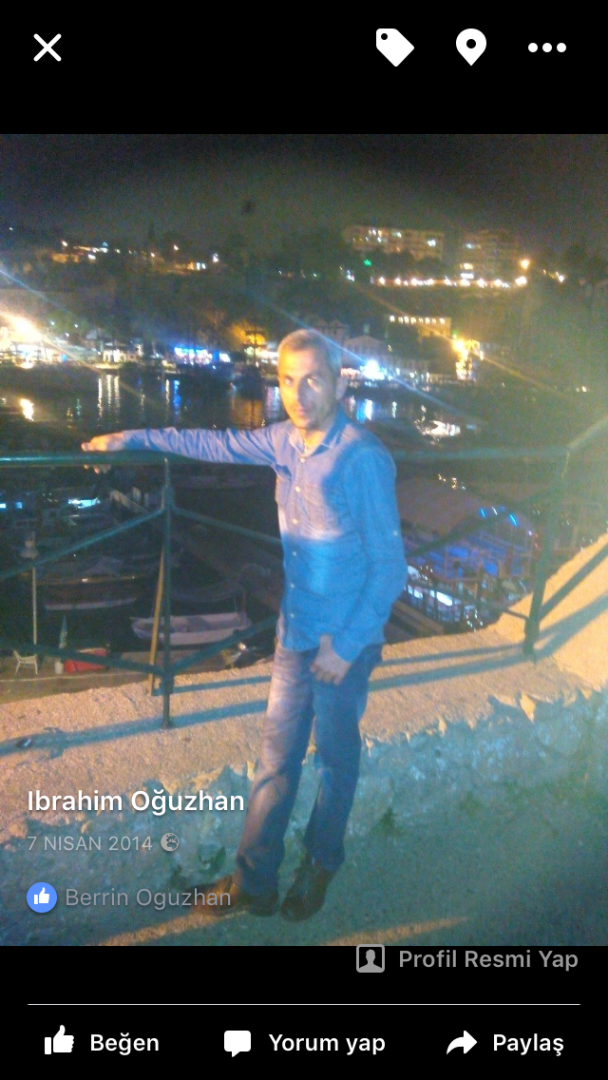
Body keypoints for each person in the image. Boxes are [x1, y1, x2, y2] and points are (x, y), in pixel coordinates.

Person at [82, 329, 406, 921]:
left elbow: (390, 568)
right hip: (295, 631)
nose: (299, 394)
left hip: (342, 645)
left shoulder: (361, 458)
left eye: (313, 379)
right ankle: (254, 881)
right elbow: (211, 443)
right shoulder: (284, 442)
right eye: (288, 380)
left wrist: (348, 645)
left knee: (335, 760)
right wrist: (132, 437)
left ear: (339, 384)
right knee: (275, 761)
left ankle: (322, 862)